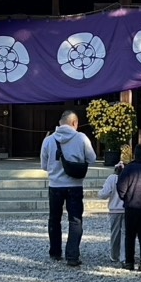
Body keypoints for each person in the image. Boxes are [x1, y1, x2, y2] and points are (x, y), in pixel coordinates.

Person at [39, 110, 97, 267]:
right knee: (75, 220)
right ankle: (72, 256)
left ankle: (55, 252)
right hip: (75, 185)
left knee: (54, 219)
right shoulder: (81, 138)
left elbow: (44, 165)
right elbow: (92, 158)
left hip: (55, 185)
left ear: (60, 123)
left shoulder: (49, 140)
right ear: (74, 123)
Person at [98, 161, 126, 263]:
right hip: (127, 209)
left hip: (114, 210)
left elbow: (104, 194)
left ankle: (114, 255)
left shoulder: (112, 178)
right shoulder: (129, 177)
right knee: (126, 233)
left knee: (115, 233)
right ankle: (124, 256)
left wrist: (99, 192)